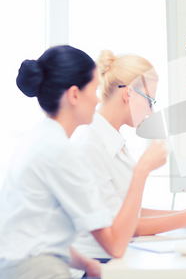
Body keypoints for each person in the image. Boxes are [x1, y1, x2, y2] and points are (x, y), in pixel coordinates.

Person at [0, 45, 167, 279]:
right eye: (95, 89)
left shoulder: (41, 138)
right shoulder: (61, 151)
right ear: (75, 95)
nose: (98, 99)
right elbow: (116, 244)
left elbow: (40, 232)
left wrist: (85, 263)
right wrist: (142, 170)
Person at [71, 50, 186, 266]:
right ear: (129, 94)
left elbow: (128, 211)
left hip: (114, 258)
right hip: (97, 263)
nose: (151, 111)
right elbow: (122, 225)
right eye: (150, 100)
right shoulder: (91, 145)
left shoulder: (111, 141)